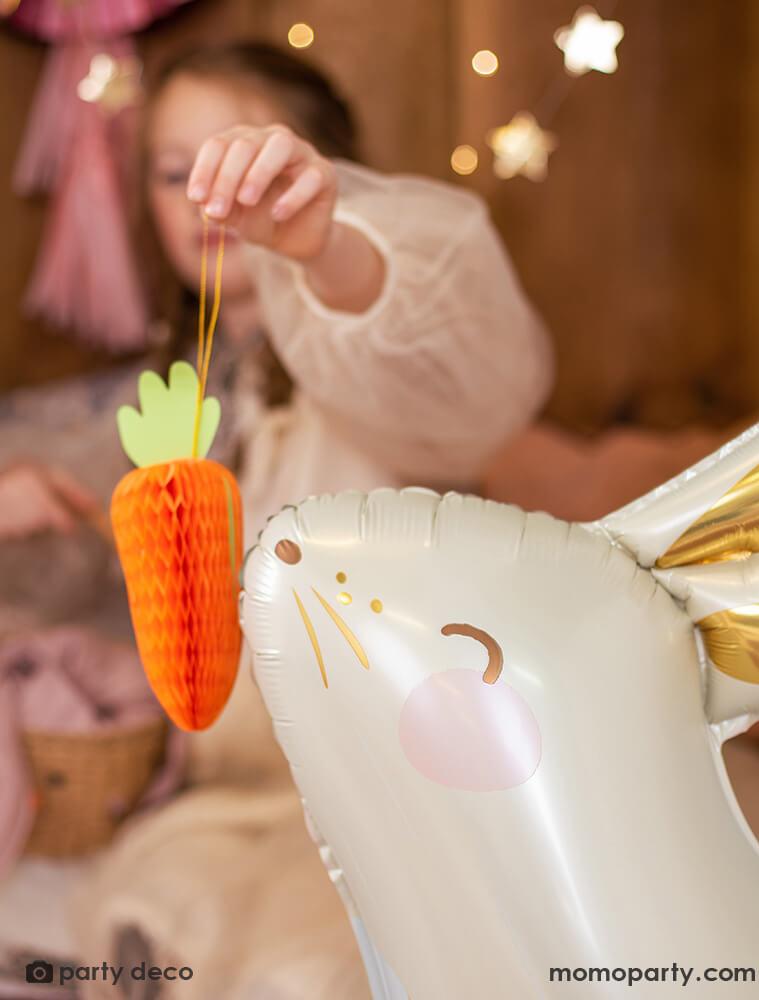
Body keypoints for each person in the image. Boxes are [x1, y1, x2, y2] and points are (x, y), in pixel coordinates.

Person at [40, 39, 553, 999]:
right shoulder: (193, 400)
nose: (207, 193)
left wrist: (329, 244)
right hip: (241, 806)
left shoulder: (364, 360)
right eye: (173, 169)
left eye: (239, 156)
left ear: (320, 169)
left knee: (305, 969)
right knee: (150, 924)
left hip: (415, 797)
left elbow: (452, 367)